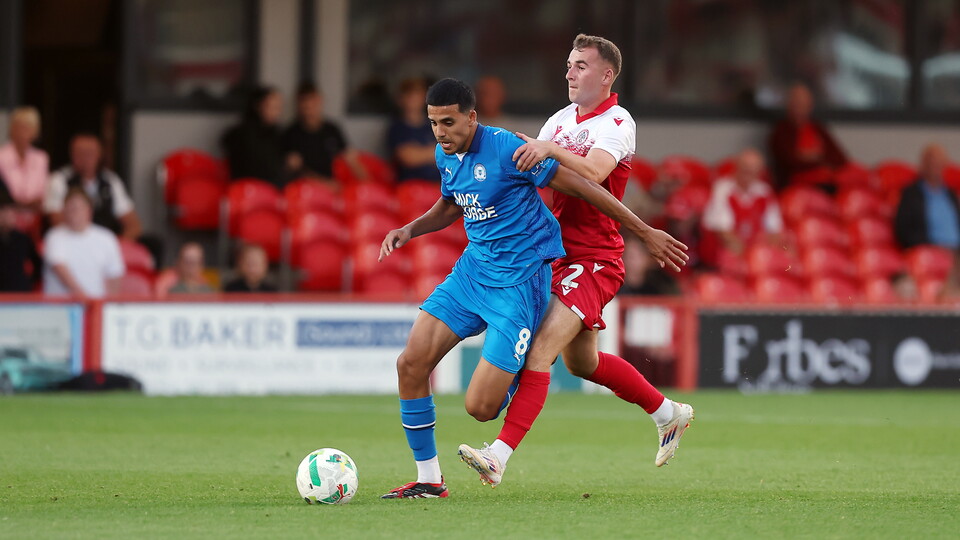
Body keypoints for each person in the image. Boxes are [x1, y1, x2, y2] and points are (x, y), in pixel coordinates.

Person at [378, 78, 687, 499]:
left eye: (448, 122)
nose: (439, 132)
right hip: (472, 272)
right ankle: (430, 479)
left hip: (521, 282)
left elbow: (583, 184)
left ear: (472, 117)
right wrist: (410, 229)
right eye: (433, 123)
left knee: (481, 408)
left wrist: (643, 230)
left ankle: (511, 393)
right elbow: (452, 201)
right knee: (410, 364)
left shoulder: (508, 148)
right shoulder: (445, 152)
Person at [458, 34, 695, 489]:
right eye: (569, 64)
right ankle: (669, 414)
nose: (569, 72)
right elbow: (528, 172)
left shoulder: (617, 121)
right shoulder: (560, 120)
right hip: (553, 255)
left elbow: (593, 173)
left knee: (540, 350)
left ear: (607, 75)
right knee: (583, 364)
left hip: (595, 258)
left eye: (581, 65)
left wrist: (547, 149)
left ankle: (498, 457)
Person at [45, 133, 143, 240]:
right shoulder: (59, 180)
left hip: (105, 243)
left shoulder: (111, 180)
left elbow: (133, 224)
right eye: (81, 153)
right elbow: (56, 221)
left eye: (90, 153)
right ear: (72, 155)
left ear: (99, 154)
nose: (86, 158)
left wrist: (115, 246)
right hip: (71, 242)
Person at [701, 148, 783, 266]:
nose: (748, 175)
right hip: (726, 253)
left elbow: (774, 231)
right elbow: (724, 233)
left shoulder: (765, 192)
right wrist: (748, 258)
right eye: (745, 170)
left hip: (756, 252)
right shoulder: (722, 189)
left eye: (753, 171)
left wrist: (763, 255)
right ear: (736, 167)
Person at [43, 188, 124, 298]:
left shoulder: (107, 238)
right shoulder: (54, 237)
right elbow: (60, 269)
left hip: (95, 308)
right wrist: (85, 300)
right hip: (61, 310)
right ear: (63, 211)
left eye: (79, 208)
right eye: (70, 208)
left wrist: (108, 306)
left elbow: (114, 277)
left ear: (89, 210)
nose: (75, 212)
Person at [768, 83, 848, 192]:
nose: (800, 107)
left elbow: (840, 158)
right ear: (789, 105)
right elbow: (789, 161)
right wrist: (815, 158)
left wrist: (810, 156)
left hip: (826, 183)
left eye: (804, 103)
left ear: (811, 105)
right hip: (796, 187)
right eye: (797, 103)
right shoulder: (781, 131)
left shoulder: (817, 128)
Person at [283, 81, 367, 184]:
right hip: (305, 187)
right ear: (299, 105)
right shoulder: (291, 133)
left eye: (313, 103)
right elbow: (295, 170)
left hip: (330, 183)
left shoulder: (332, 129)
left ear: (320, 101)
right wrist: (326, 184)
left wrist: (367, 183)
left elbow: (350, 158)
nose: (310, 108)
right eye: (305, 105)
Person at [894, 144, 960, 251]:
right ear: (923, 164)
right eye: (932, 163)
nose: (936, 168)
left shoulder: (951, 195)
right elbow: (903, 231)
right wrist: (929, 247)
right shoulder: (911, 194)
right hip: (931, 251)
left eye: (939, 163)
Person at [222, 86, 287, 186]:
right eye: (272, 107)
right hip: (248, 190)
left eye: (279, 107)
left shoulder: (277, 133)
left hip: (271, 189)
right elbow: (259, 168)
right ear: (257, 106)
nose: (277, 113)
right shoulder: (242, 134)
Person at [386, 78, 441, 182]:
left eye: (417, 95)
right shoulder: (398, 127)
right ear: (400, 99)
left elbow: (451, 154)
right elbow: (408, 158)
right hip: (410, 186)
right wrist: (434, 152)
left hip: (438, 184)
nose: (413, 99)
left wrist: (420, 152)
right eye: (409, 95)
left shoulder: (434, 125)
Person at [0, 106, 49, 210]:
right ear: (12, 129)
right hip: (6, 215)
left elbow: (42, 194)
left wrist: (27, 204)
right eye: (19, 127)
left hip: (35, 217)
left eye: (28, 127)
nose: (23, 132)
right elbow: (5, 194)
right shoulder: (1, 156)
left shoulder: (41, 158)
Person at [0, 191, 42, 292]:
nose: (7, 215)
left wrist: (28, 282)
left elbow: (38, 264)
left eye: (10, 211)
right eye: (3, 211)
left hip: (20, 293)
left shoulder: (22, 238)